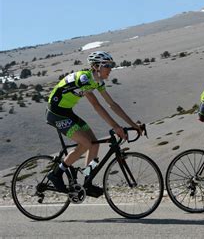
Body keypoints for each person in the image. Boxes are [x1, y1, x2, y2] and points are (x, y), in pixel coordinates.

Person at [46, 51, 142, 196]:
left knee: (94, 143)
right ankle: (56, 174)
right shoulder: (84, 79)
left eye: (111, 65)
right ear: (96, 66)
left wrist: (133, 124)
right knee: (85, 143)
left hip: (67, 112)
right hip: (56, 114)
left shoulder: (98, 82)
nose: (110, 68)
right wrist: (115, 127)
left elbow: (112, 104)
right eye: (107, 65)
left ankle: (87, 182)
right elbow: (96, 105)